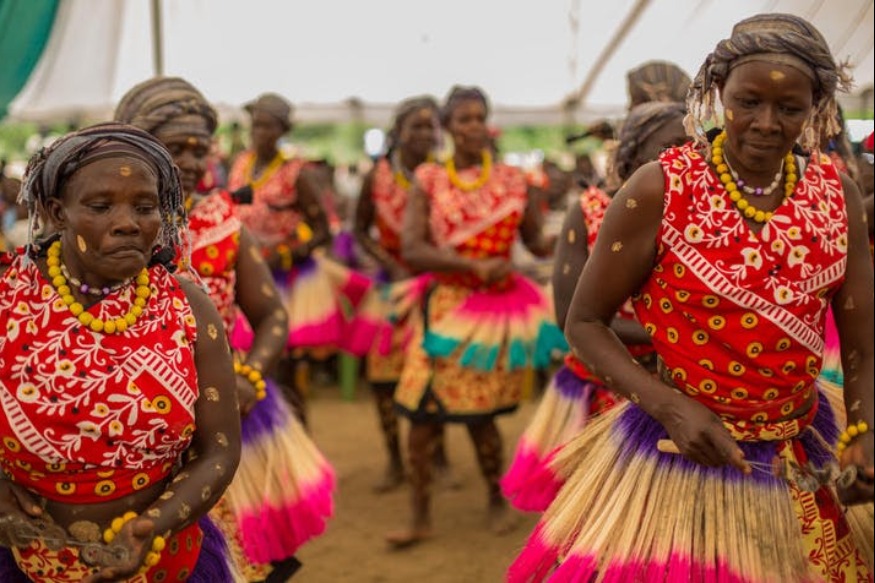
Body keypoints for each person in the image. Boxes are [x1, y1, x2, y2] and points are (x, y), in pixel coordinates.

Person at [509, 13, 873, 582]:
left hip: (804, 444)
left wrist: (864, 434)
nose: (766, 124)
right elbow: (583, 322)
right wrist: (671, 406)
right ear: (716, 92)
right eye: (748, 101)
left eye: (790, 109)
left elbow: (862, 349)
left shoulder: (836, 192)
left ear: (817, 107)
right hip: (679, 453)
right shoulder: (659, 187)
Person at [114, 76, 335, 582]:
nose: (191, 162)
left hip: (222, 417)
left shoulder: (223, 222)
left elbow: (273, 316)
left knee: (237, 564)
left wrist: (248, 376)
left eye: (200, 149)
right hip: (137, 425)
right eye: (176, 149)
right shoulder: (109, 228)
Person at [0, 123, 241, 582]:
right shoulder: (8, 302)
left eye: (145, 207)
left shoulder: (188, 307)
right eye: (100, 205)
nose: (129, 222)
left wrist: (154, 525)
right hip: (30, 566)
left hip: (165, 563)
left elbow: (219, 451)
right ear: (57, 211)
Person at [385, 85, 566, 548]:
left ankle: (495, 498)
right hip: (444, 307)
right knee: (419, 414)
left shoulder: (513, 180)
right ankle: (419, 515)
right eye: (462, 119)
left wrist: (579, 228)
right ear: (447, 128)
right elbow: (412, 249)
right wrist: (471, 266)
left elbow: (537, 243)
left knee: (480, 417)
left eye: (478, 117)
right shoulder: (429, 179)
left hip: (494, 313)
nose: (472, 127)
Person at [501, 101, 688, 511]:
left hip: (681, 387)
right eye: (669, 147)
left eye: (690, 146)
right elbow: (572, 318)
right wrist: (674, 340)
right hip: (604, 383)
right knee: (595, 512)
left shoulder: (700, 214)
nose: (681, 158)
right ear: (632, 154)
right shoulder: (588, 211)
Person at [228, 93, 369, 421]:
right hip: (244, 273)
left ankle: (295, 433)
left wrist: (288, 254)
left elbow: (323, 229)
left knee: (283, 365)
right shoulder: (240, 165)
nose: (261, 132)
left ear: (282, 131)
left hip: (285, 279)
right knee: (245, 360)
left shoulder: (296, 173)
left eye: (269, 126)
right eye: (257, 124)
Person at [351, 96, 456, 493]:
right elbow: (359, 229)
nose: (426, 135)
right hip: (390, 289)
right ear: (399, 133)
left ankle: (439, 455)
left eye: (432, 127)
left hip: (434, 287)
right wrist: (388, 262)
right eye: (417, 127)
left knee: (435, 373)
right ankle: (395, 459)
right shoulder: (376, 176)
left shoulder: (444, 177)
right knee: (382, 379)